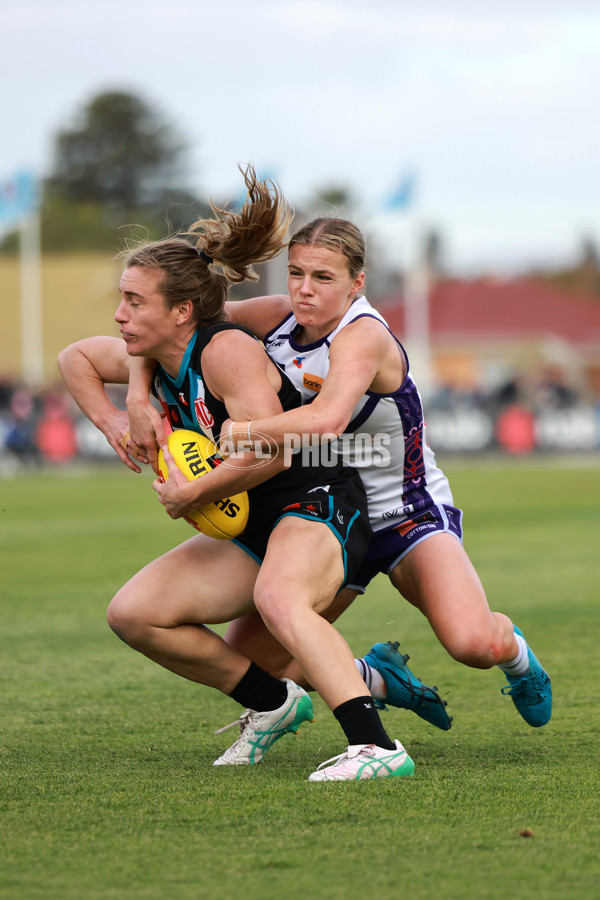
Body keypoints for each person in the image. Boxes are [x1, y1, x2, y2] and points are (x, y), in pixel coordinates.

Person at [127, 214, 552, 735]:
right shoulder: (274, 317)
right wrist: (134, 395)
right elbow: (174, 326)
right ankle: (379, 679)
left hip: (402, 513)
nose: (305, 290)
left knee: (472, 644)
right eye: (296, 273)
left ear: (357, 283)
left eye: (323, 278)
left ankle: (517, 657)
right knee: (264, 666)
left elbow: (326, 420)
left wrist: (244, 431)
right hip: (326, 513)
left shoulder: (363, 335)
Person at [57, 167, 415, 783]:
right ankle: (272, 704)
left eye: (134, 301)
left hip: (320, 502)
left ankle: (377, 748)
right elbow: (76, 358)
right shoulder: (157, 352)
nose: (119, 314)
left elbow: (273, 454)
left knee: (280, 601)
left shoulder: (226, 353)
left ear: (182, 311)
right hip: (258, 520)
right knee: (134, 614)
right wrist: (121, 418)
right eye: (121, 299)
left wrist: (192, 492)